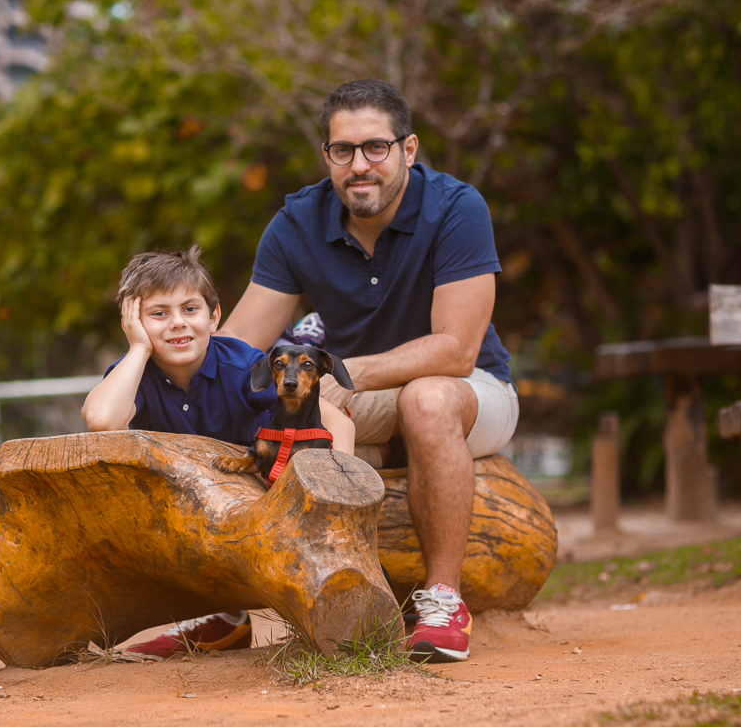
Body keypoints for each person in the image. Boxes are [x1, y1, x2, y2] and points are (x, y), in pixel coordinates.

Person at [217, 79, 519, 663]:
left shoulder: (456, 208)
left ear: (408, 149)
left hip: (471, 391)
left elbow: (457, 350)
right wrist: (155, 367)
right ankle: (227, 612)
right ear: (326, 155)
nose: (360, 165)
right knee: (265, 412)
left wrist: (346, 371)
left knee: (426, 400)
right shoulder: (298, 222)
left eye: (375, 148)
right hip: (362, 403)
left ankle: (442, 599)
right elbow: (235, 348)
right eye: (342, 150)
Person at [81, 246, 355, 660]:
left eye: (190, 309)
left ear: (213, 317)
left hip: (263, 494)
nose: (177, 324)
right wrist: (138, 349)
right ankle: (221, 619)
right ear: (134, 323)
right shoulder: (134, 371)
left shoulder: (243, 366)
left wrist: (337, 507)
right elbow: (101, 419)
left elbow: (340, 424)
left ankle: (328, 611)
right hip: (190, 507)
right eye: (158, 314)